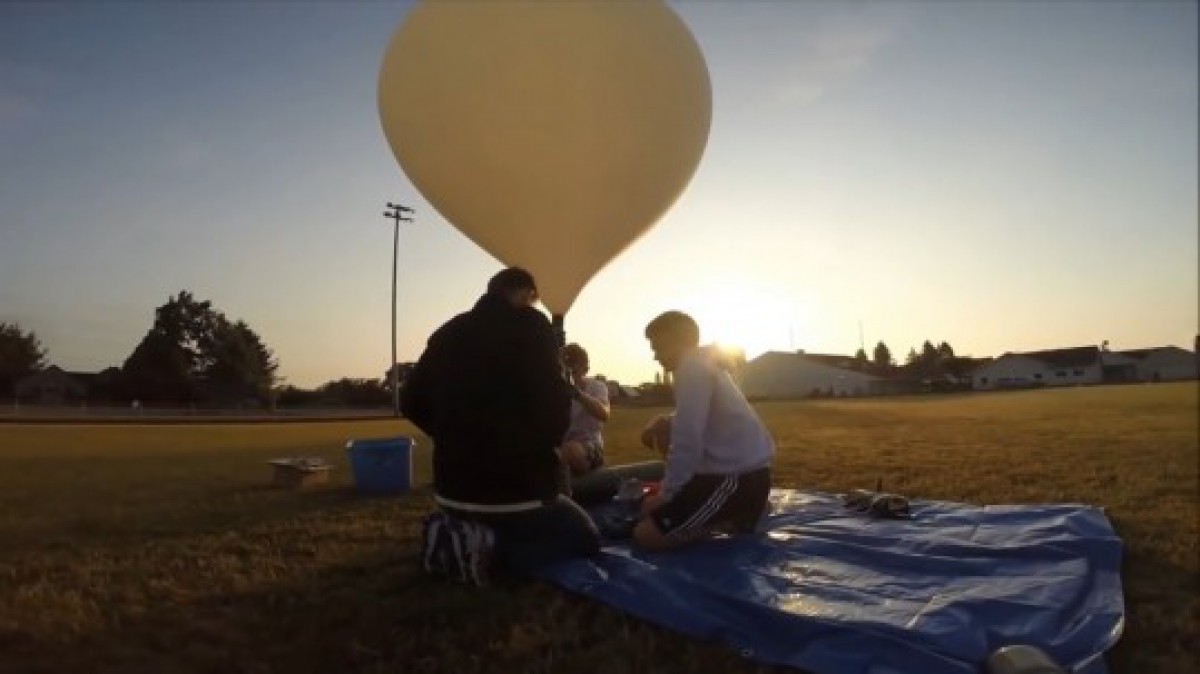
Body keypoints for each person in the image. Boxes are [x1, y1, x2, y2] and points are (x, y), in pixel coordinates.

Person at [401, 267, 600, 585]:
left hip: (451, 493)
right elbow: (553, 398)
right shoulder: (531, 325)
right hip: (516, 491)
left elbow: (410, 400)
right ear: (527, 294)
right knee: (584, 538)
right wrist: (544, 446)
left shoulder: (449, 330)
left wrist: (452, 435)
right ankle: (491, 555)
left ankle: (458, 535)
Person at [632, 310, 775, 551]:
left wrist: (666, 496)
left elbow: (688, 439)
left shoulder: (691, 368)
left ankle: (731, 515)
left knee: (645, 535)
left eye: (658, 348)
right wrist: (663, 422)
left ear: (676, 342)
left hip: (735, 479)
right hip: (745, 475)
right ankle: (740, 510)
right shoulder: (700, 364)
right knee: (665, 427)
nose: (655, 356)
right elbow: (696, 418)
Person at [559, 343, 611, 476]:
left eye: (573, 369)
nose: (568, 374)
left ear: (585, 369)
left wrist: (577, 394)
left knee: (571, 451)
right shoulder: (554, 392)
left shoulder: (597, 387)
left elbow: (604, 414)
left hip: (590, 445)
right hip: (563, 445)